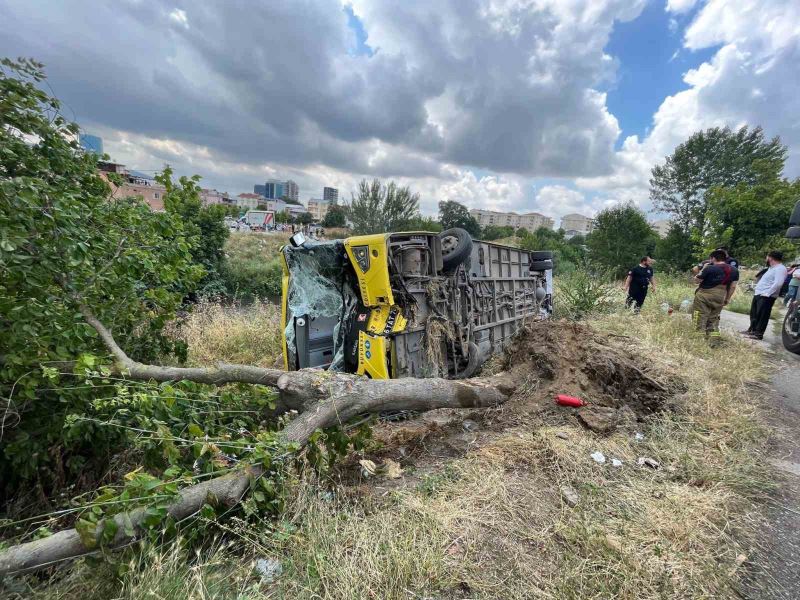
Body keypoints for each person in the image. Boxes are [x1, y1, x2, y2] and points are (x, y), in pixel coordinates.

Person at [692, 249, 739, 345]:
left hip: (704, 295)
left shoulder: (709, 268)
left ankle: (698, 340)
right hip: (720, 296)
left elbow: (697, 280)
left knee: (699, 316)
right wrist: (727, 298)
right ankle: (713, 341)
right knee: (714, 318)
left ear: (713, 258)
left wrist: (703, 269)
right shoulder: (734, 270)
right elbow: (733, 286)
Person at [741, 251, 788, 340]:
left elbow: (778, 283)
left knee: (762, 315)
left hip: (767, 296)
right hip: (759, 294)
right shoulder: (771, 268)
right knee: (754, 314)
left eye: (767, 257)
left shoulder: (780, 268)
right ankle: (752, 330)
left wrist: (767, 293)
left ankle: (758, 333)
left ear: (770, 258)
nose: (766, 259)